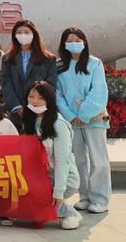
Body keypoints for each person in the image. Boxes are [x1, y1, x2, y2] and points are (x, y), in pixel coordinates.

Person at [56, 27, 111, 215]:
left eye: (77, 40)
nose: (74, 44)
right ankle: (85, 196)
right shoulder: (59, 66)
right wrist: (71, 115)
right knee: (78, 160)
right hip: (72, 121)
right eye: (70, 41)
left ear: (84, 42)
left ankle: (100, 199)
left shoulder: (95, 63)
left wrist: (84, 113)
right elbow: (57, 94)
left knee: (98, 159)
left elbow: (99, 90)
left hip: (94, 118)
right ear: (64, 44)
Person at [19, 81, 82, 230]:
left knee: (37, 199)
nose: (35, 101)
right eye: (31, 96)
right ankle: (48, 206)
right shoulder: (30, 121)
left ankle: (69, 213)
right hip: (42, 177)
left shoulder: (58, 124)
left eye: (40, 98)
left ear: (49, 100)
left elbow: (62, 161)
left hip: (64, 180)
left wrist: (58, 192)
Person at [0, 19, 57, 126]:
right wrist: (17, 106)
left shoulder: (48, 59)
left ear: (34, 34)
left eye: (26, 32)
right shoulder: (7, 58)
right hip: (16, 112)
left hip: (41, 111)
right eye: (19, 32)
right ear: (14, 36)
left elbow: (51, 84)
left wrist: (36, 104)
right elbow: (6, 82)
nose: (23, 35)